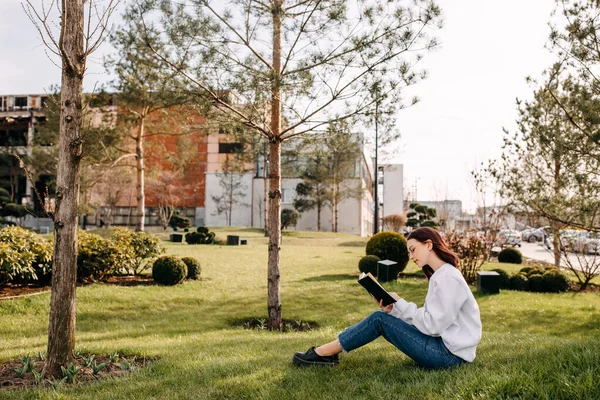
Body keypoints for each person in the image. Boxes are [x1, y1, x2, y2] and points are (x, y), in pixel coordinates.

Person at [293, 227, 482, 369]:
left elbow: (433, 325)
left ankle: (323, 353)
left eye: (413, 249)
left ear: (429, 244)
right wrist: (396, 310)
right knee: (382, 317)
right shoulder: (441, 275)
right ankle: (326, 353)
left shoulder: (447, 278)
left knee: (378, 319)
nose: (411, 256)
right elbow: (432, 320)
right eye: (409, 252)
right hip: (446, 350)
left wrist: (400, 304)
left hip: (449, 356)